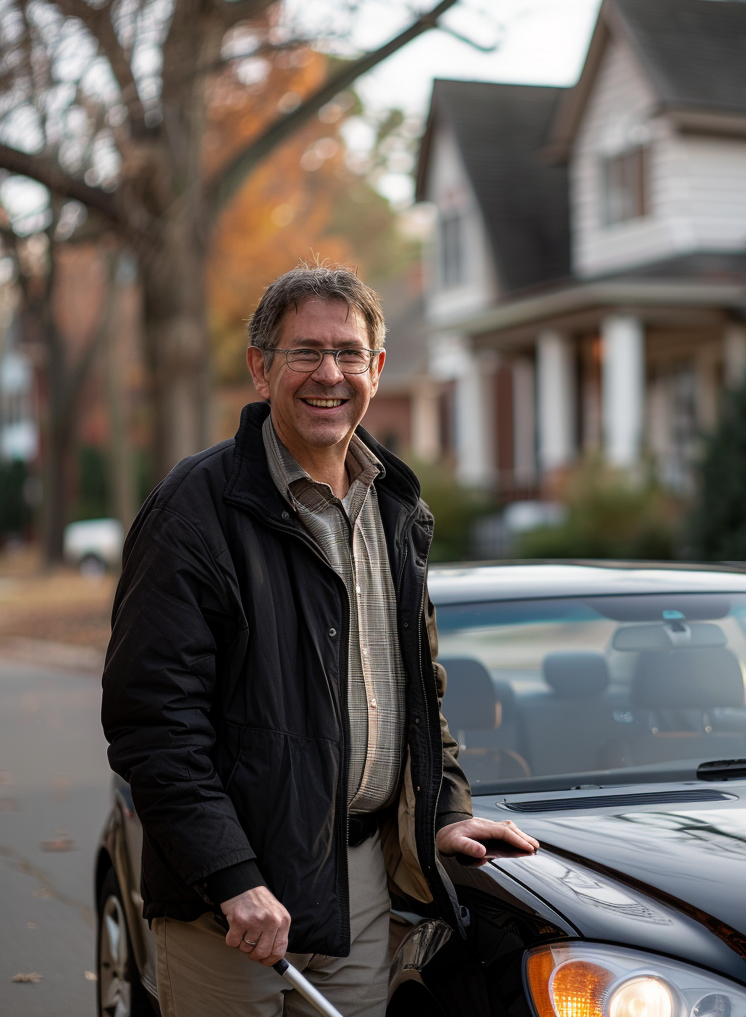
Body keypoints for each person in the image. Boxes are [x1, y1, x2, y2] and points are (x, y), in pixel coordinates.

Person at [101, 264, 538, 1017]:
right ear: (259, 366)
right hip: (230, 905)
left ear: (377, 368)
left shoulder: (395, 506)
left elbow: (417, 690)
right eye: (304, 352)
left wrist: (445, 811)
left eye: (347, 353)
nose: (327, 374)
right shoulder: (194, 510)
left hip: (359, 890)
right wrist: (231, 875)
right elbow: (153, 723)